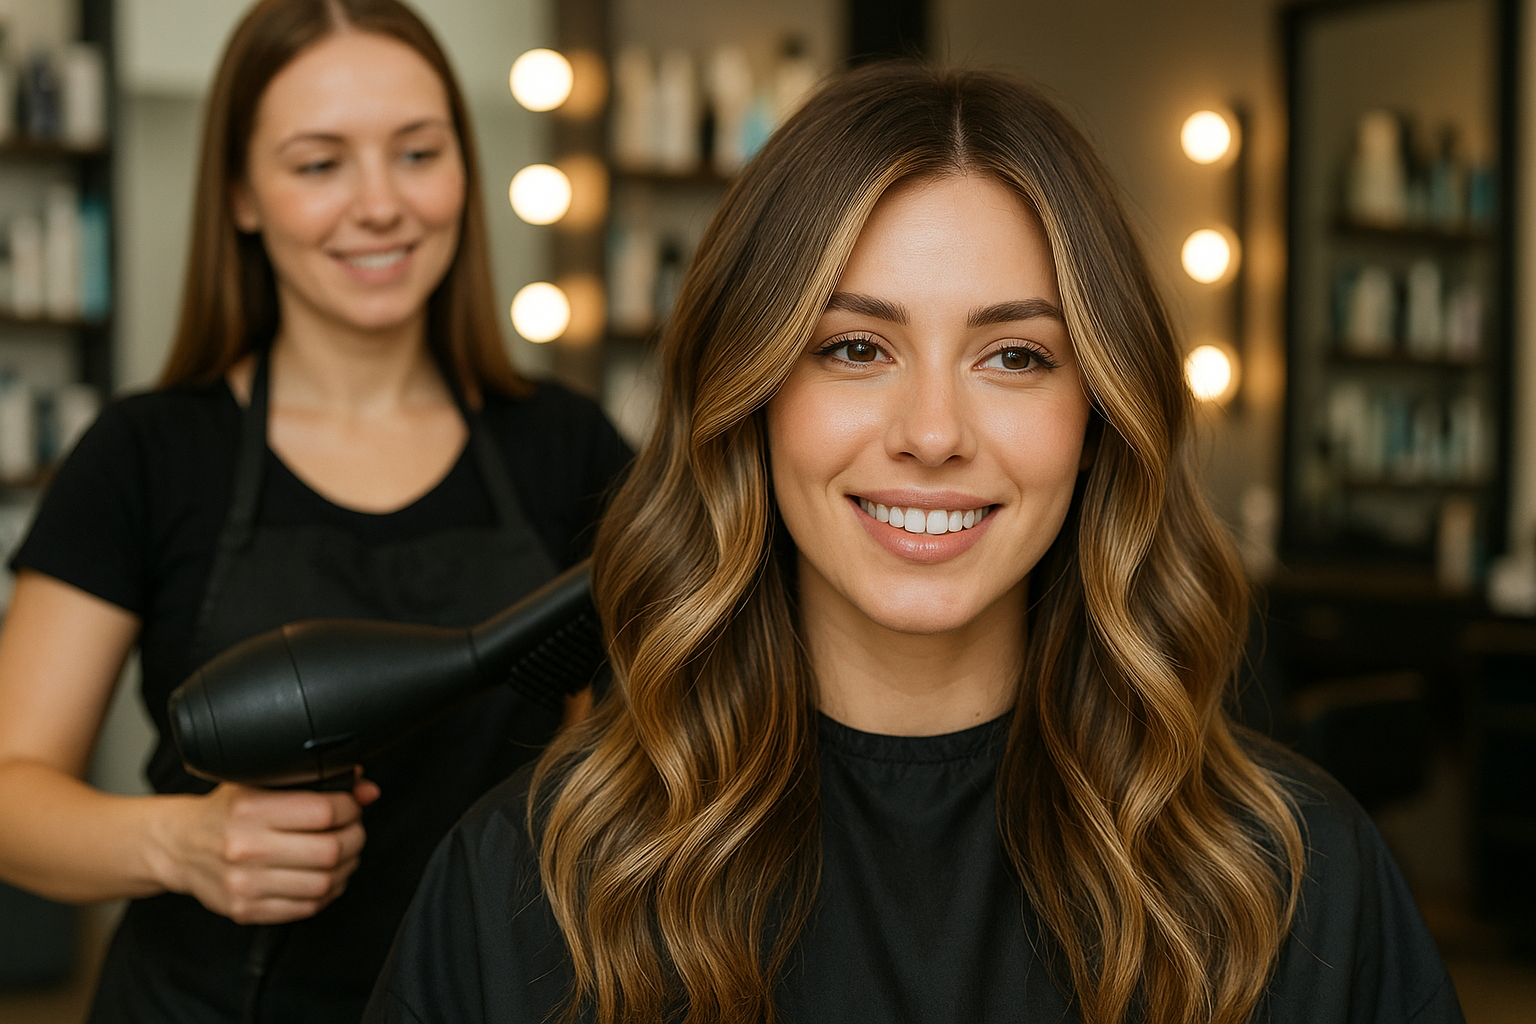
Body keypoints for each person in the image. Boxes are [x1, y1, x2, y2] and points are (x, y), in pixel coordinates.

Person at [366, 63, 1464, 1024]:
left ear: (1099, 419)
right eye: (854, 347)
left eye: (1015, 357)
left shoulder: (1293, 884)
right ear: (749, 399)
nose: (932, 433)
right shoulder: (529, 884)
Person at [0, 1, 629, 1021]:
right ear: (244, 196)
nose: (380, 204)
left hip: (493, 995)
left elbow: (668, 730)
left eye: (417, 152)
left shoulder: (568, 447)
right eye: (319, 163)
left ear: (464, 172)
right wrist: (181, 844)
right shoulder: (149, 454)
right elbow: (8, 789)